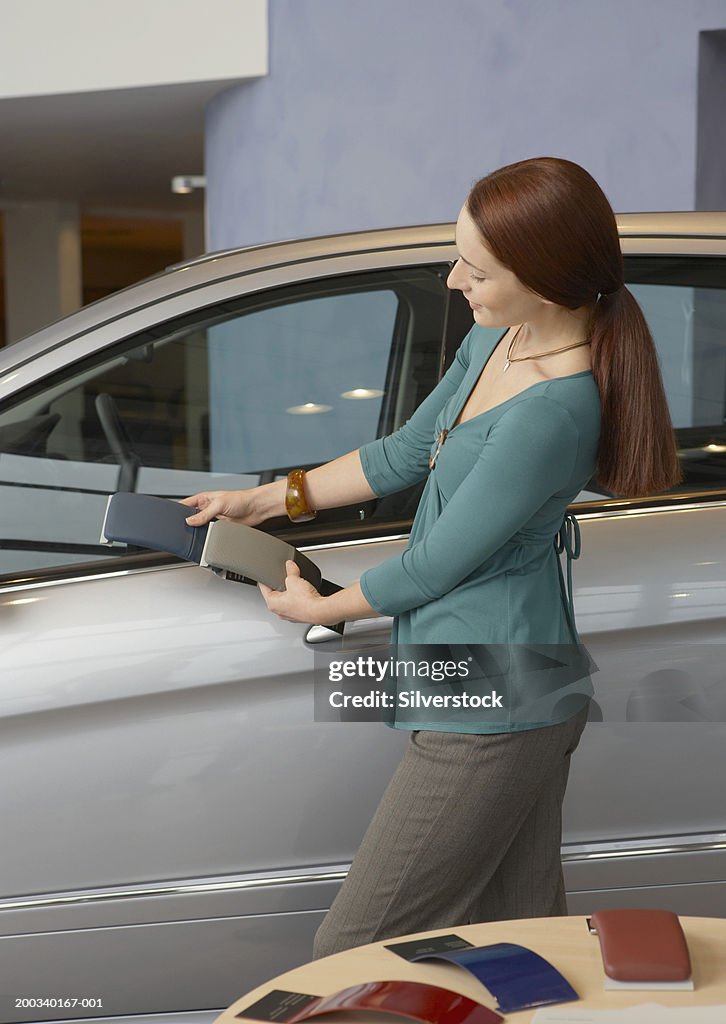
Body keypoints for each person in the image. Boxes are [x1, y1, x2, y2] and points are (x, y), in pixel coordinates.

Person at [182, 157, 681, 958]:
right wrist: (265, 500)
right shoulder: (499, 339)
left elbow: (436, 564)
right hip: (485, 677)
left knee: (351, 953)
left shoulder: (554, 410)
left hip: (499, 697)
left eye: (475, 269)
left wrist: (325, 607)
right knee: (517, 952)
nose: (453, 281)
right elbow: (406, 454)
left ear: (547, 279)